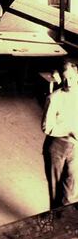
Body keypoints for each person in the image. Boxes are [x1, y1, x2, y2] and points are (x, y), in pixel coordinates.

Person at [42, 60, 78, 209]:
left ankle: (66, 224)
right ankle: (55, 225)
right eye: (65, 78)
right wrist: (69, 131)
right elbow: (46, 127)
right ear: (60, 78)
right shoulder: (54, 98)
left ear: (77, 76)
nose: (68, 82)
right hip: (56, 147)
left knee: (71, 191)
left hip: (75, 147)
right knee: (55, 192)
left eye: (71, 77)